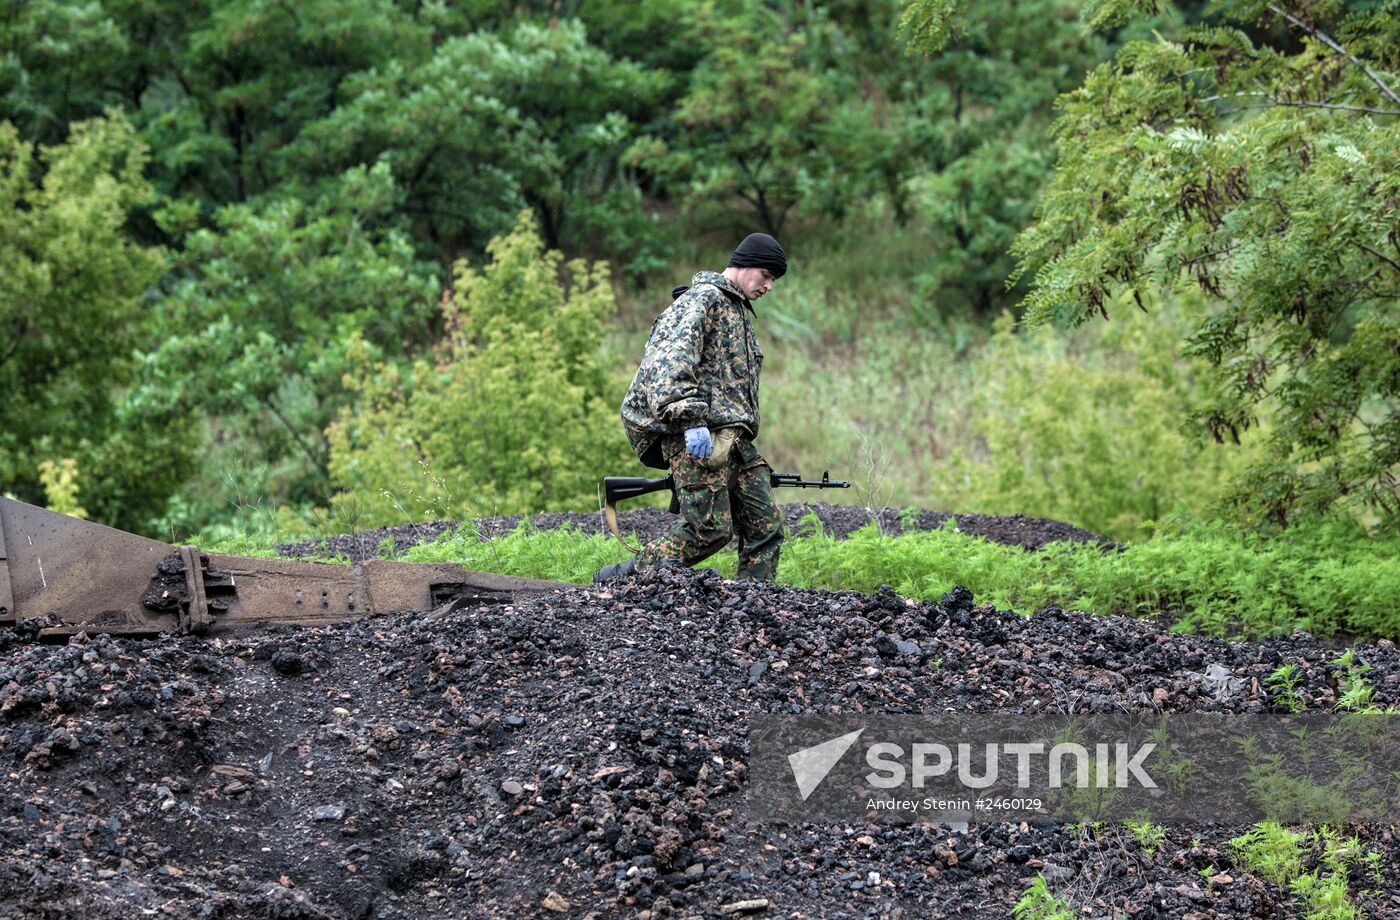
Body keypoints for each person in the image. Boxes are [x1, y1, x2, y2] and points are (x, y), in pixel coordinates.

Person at [594, 233, 787, 583]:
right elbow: (669, 362)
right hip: (696, 433)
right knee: (709, 529)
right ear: (745, 265)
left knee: (766, 528)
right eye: (766, 275)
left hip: (733, 438)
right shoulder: (703, 300)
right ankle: (624, 578)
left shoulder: (738, 312)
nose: (769, 286)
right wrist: (689, 419)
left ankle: (755, 603)